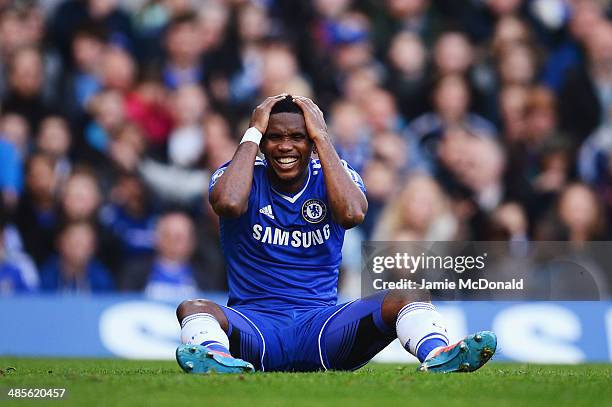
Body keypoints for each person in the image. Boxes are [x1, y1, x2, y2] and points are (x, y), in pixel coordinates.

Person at [175, 94, 496, 373]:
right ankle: (215, 359)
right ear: (262, 141)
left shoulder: (334, 175)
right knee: (194, 307)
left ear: (311, 141)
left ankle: (438, 355)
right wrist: (252, 133)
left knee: (408, 294)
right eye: (274, 137)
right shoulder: (238, 174)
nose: (285, 146)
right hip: (257, 329)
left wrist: (324, 140)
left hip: (323, 331)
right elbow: (228, 203)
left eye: (297, 137)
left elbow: (353, 213)